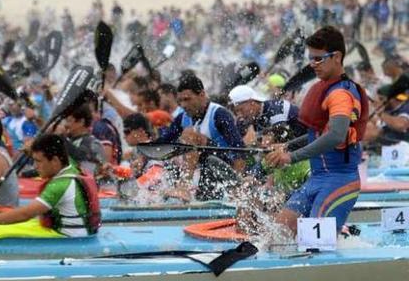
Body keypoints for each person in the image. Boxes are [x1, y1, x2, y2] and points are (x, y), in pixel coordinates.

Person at [264, 26, 368, 234]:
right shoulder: (325, 88)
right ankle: (342, 233)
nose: (312, 64)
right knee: (278, 233)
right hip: (317, 178)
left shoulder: (341, 94)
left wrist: (291, 157)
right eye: (310, 58)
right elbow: (317, 135)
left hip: (340, 179)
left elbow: (336, 135)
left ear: (337, 57)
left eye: (318, 59)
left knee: (314, 240)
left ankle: (341, 235)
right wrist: (286, 146)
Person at [0, 134, 100, 237]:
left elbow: (24, 214)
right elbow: (55, 142)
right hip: (80, 233)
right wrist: (35, 148)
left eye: (38, 161)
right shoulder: (70, 165)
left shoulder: (59, 185)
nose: (35, 166)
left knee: (2, 228)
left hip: (67, 237)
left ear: (54, 160)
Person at [157, 73, 246, 200]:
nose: (183, 105)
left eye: (187, 99)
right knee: (173, 150)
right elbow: (163, 143)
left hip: (225, 166)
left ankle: (184, 187)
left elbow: (240, 152)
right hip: (205, 170)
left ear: (202, 95)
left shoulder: (220, 114)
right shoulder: (183, 117)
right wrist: (143, 153)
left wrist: (238, 188)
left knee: (190, 136)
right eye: (180, 101)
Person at [228, 85, 305, 143]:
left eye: (240, 110)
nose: (239, 115)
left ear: (252, 102)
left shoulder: (276, 110)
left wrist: (254, 141)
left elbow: (278, 140)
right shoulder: (244, 119)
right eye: (235, 112)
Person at [61, 104, 105, 176]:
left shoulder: (93, 143)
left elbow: (81, 156)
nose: (66, 125)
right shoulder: (68, 140)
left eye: (69, 120)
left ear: (81, 122)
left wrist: (61, 138)